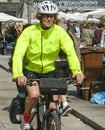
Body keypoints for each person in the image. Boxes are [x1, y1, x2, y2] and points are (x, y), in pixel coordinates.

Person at [12, 1, 85, 130]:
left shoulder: (60, 32)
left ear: (55, 17)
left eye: (52, 16)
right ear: (40, 16)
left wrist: (77, 71)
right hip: (31, 70)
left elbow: (70, 52)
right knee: (34, 95)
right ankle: (26, 116)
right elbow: (18, 54)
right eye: (46, 15)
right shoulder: (30, 31)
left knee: (53, 107)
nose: (49, 18)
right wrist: (18, 74)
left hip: (50, 71)